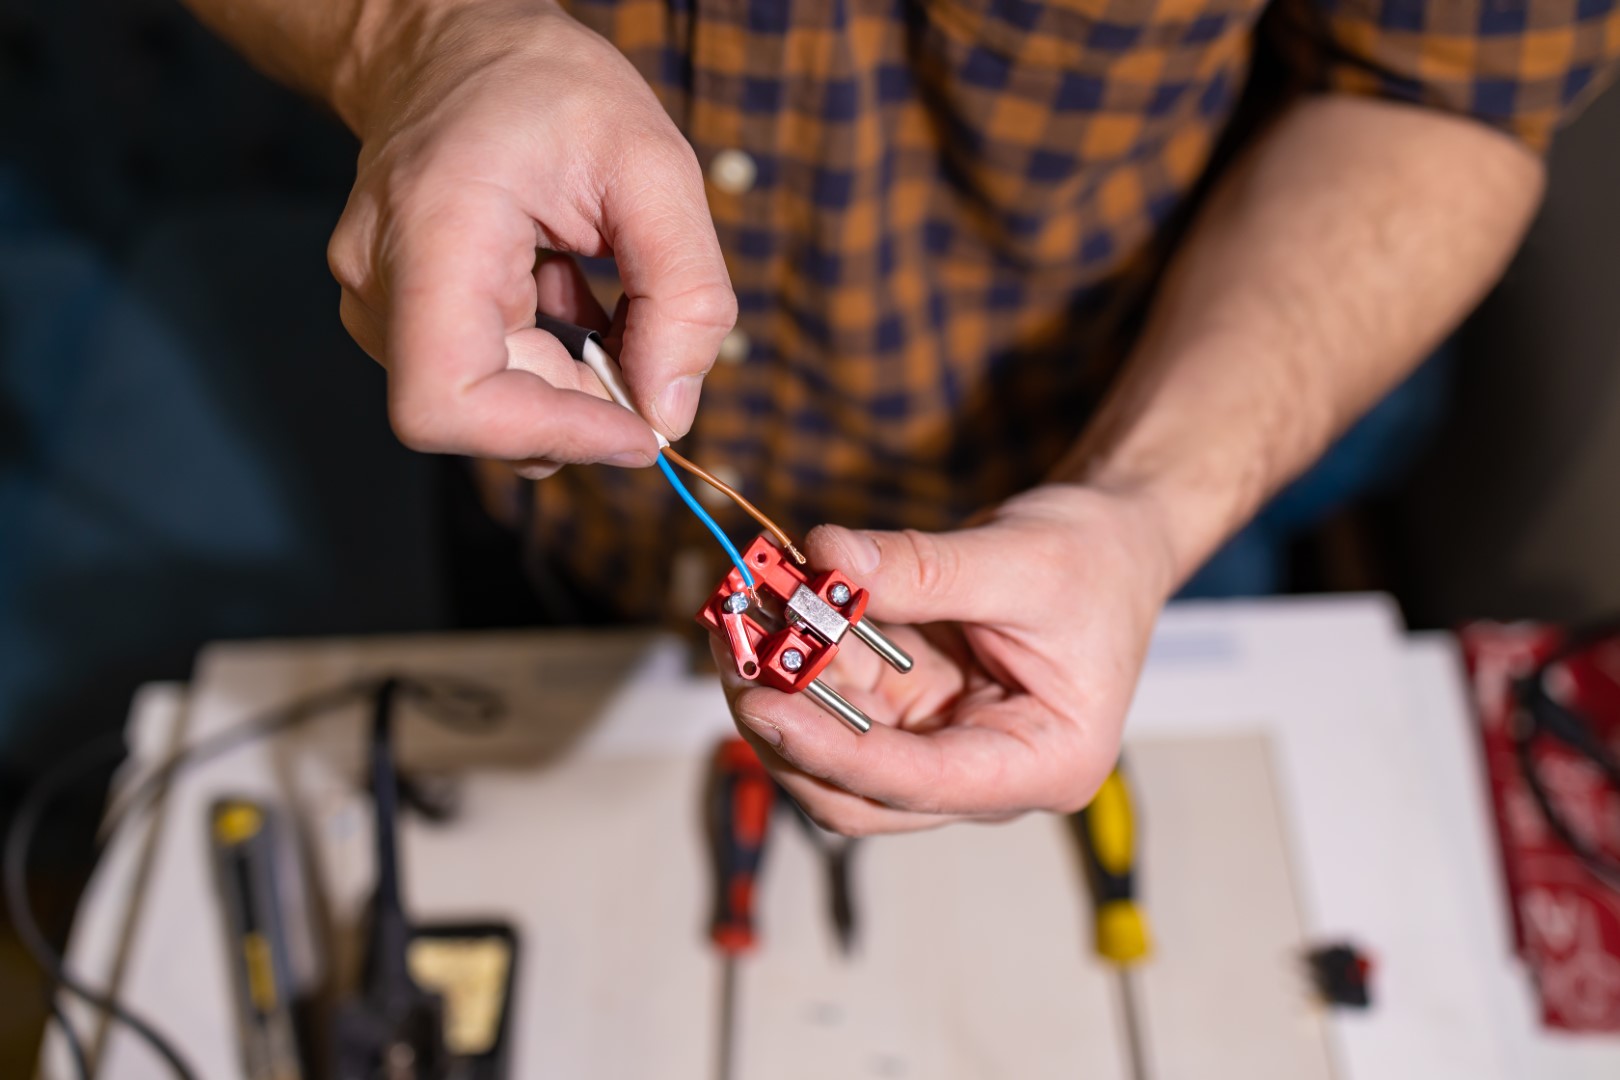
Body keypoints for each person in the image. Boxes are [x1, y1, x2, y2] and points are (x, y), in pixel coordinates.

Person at [179, 0, 1618, 834]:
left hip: (1096, 499)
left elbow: (1442, 90)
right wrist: (417, 38)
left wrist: (1142, 512)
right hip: (537, 459)